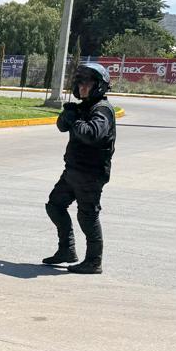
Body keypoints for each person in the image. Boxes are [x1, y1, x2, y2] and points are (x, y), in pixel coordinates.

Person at [43, 61, 116, 274]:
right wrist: (67, 115)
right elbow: (62, 126)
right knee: (55, 205)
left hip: (91, 174)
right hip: (74, 170)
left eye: (87, 83)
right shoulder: (83, 107)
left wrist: (75, 120)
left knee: (87, 215)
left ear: (98, 86)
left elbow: (92, 134)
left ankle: (94, 261)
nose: (82, 87)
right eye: (80, 83)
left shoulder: (102, 110)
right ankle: (66, 250)